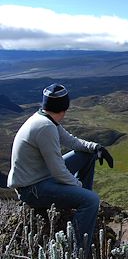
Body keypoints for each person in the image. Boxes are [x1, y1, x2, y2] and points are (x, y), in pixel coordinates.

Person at [7, 83, 114, 251]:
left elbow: (71, 141)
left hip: (40, 177)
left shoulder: (45, 118)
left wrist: (96, 147)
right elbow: (58, 172)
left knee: (87, 154)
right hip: (32, 188)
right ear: (64, 107)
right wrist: (79, 188)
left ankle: (80, 206)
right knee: (91, 200)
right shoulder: (45, 127)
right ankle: (77, 249)